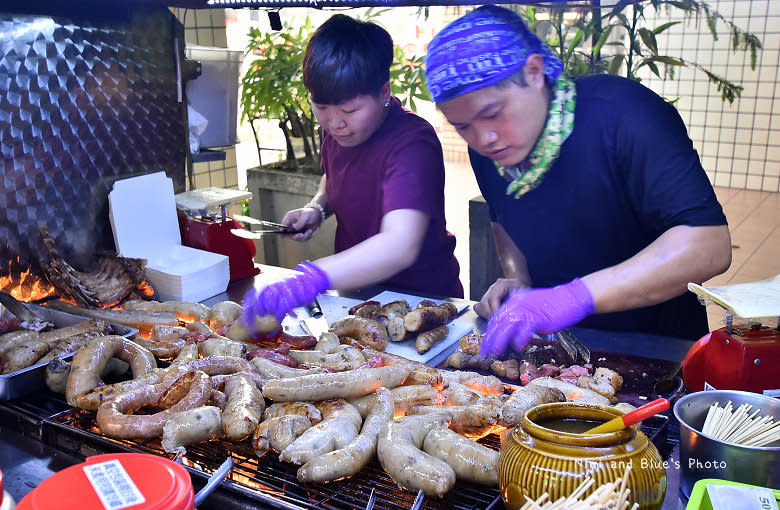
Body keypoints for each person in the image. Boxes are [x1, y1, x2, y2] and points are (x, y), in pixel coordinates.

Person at [424, 5, 731, 357]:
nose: (483, 139)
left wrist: (573, 297)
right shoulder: (487, 149)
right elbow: (502, 218)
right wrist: (518, 278)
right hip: (557, 347)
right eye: (463, 126)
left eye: (492, 113)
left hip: (657, 346)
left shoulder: (626, 115)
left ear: (535, 71)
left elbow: (709, 245)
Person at [242, 14, 462, 331]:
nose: (334, 123)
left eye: (350, 110)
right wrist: (317, 207)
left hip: (421, 305)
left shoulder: (413, 143)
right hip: (357, 301)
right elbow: (333, 175)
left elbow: (400, 244)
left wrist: (310, 279)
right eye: (322, 108)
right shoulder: (338, 132)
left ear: (384, 92)